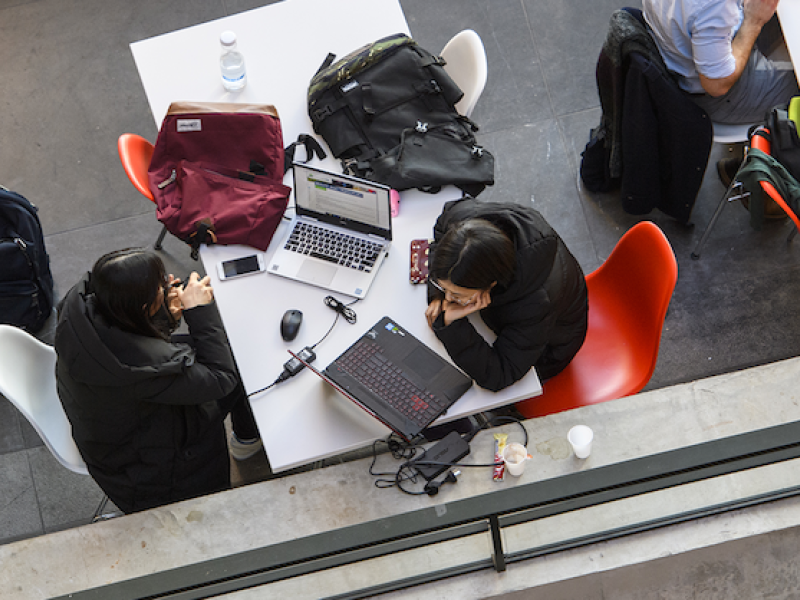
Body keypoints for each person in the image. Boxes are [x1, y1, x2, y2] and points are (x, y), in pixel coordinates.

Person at [54, 248, 261, 513]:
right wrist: (199, 310)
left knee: (228, 354)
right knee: (235, 361)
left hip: (119, 425)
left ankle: (247, 438)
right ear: (142, 307)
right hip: (152, 472)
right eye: (161, 286)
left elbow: (138, 345)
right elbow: (221, 378)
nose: (170, 283)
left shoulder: (85, 312)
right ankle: (246, 441)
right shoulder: (141, 368)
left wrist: (162, 318)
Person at [424, 198, 588, 393]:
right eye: (445, 290)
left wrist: (453, 325)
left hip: (549, 347)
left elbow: (500, 374)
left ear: (491, 283)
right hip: (518, 321)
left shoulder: (536, 304)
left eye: (457, 294)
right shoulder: (464, 219)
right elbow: (441, 227)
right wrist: (437, 294)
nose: (449, 300)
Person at [643, 0, 799, 126]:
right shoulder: (712, 6)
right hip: (721, 91)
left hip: (708, 43)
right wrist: (754, 22)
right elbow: (716, 85)